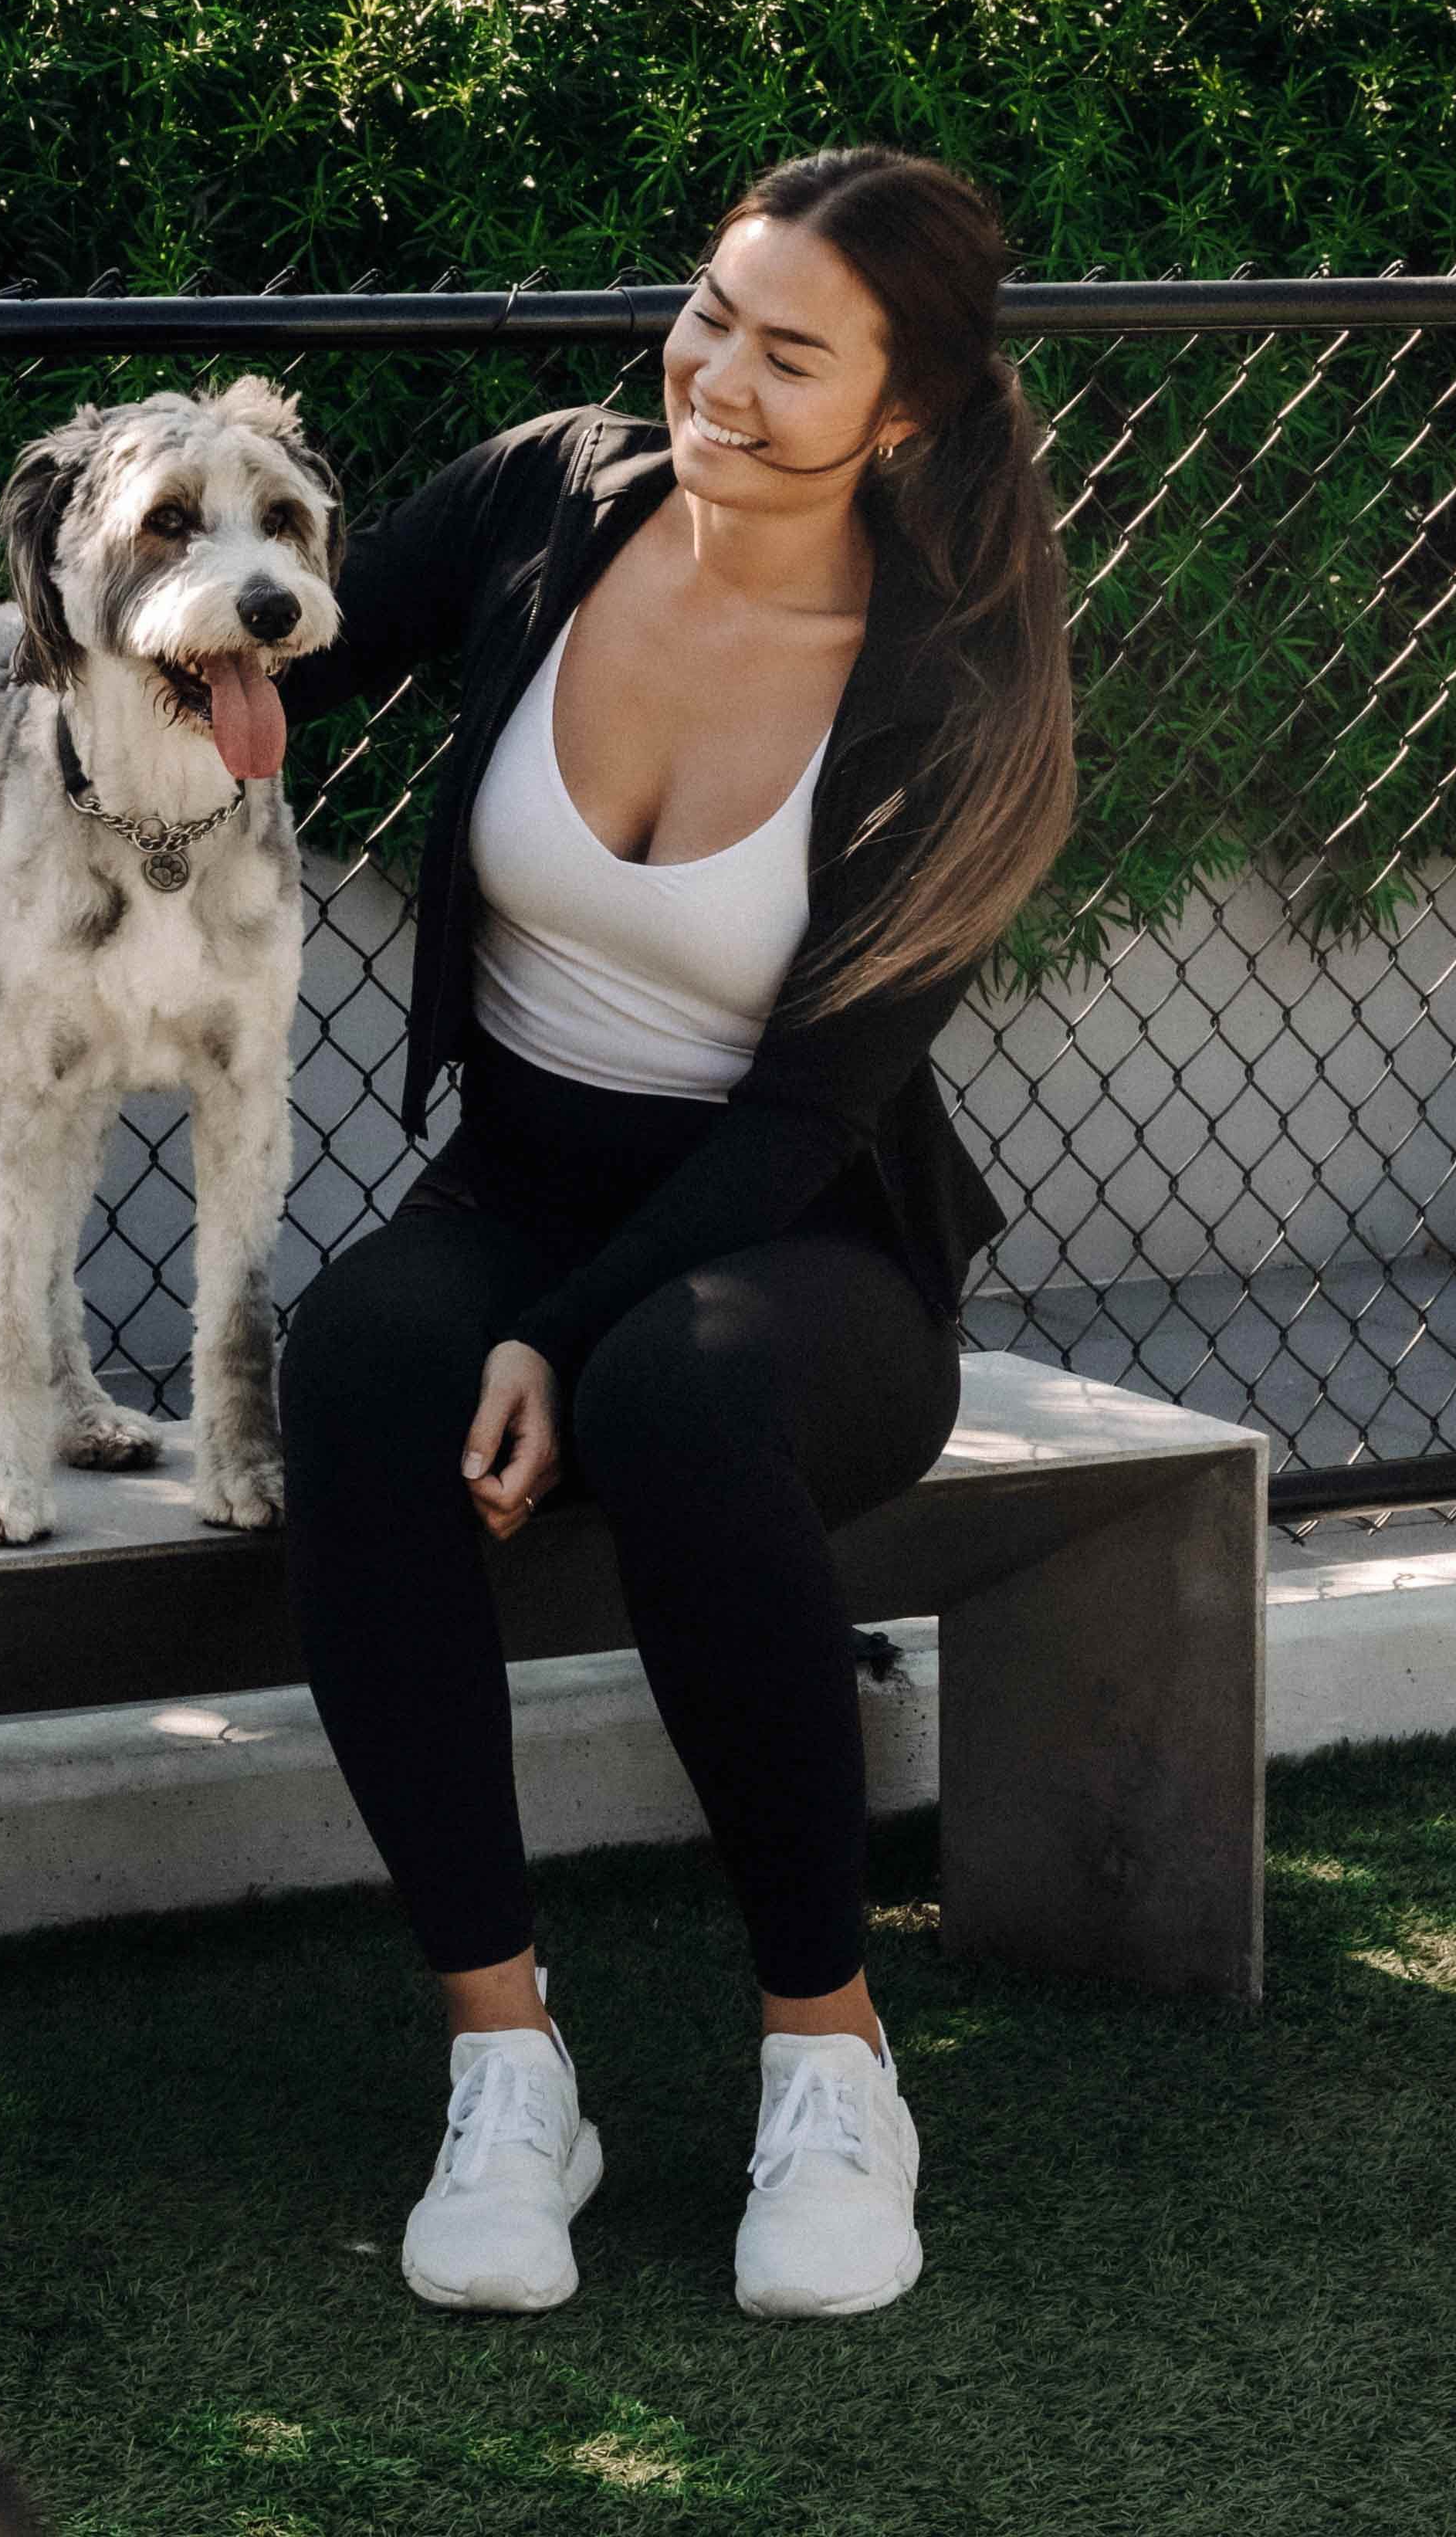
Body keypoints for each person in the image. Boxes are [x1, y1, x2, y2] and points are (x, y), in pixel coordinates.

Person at [274, 146, 1076, 2321]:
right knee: (357, 1364)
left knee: (673, 1392)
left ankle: (832, 2062)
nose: (719, 375)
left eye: (791, 354)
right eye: (712, 314)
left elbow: (811, 1110)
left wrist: (563, 1331)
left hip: (806, 1243)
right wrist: (93, 637)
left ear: (905, 410)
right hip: (515, 1180)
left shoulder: (949, 694)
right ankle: (507, 2063)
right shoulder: (552, 498)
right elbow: (284, 657)